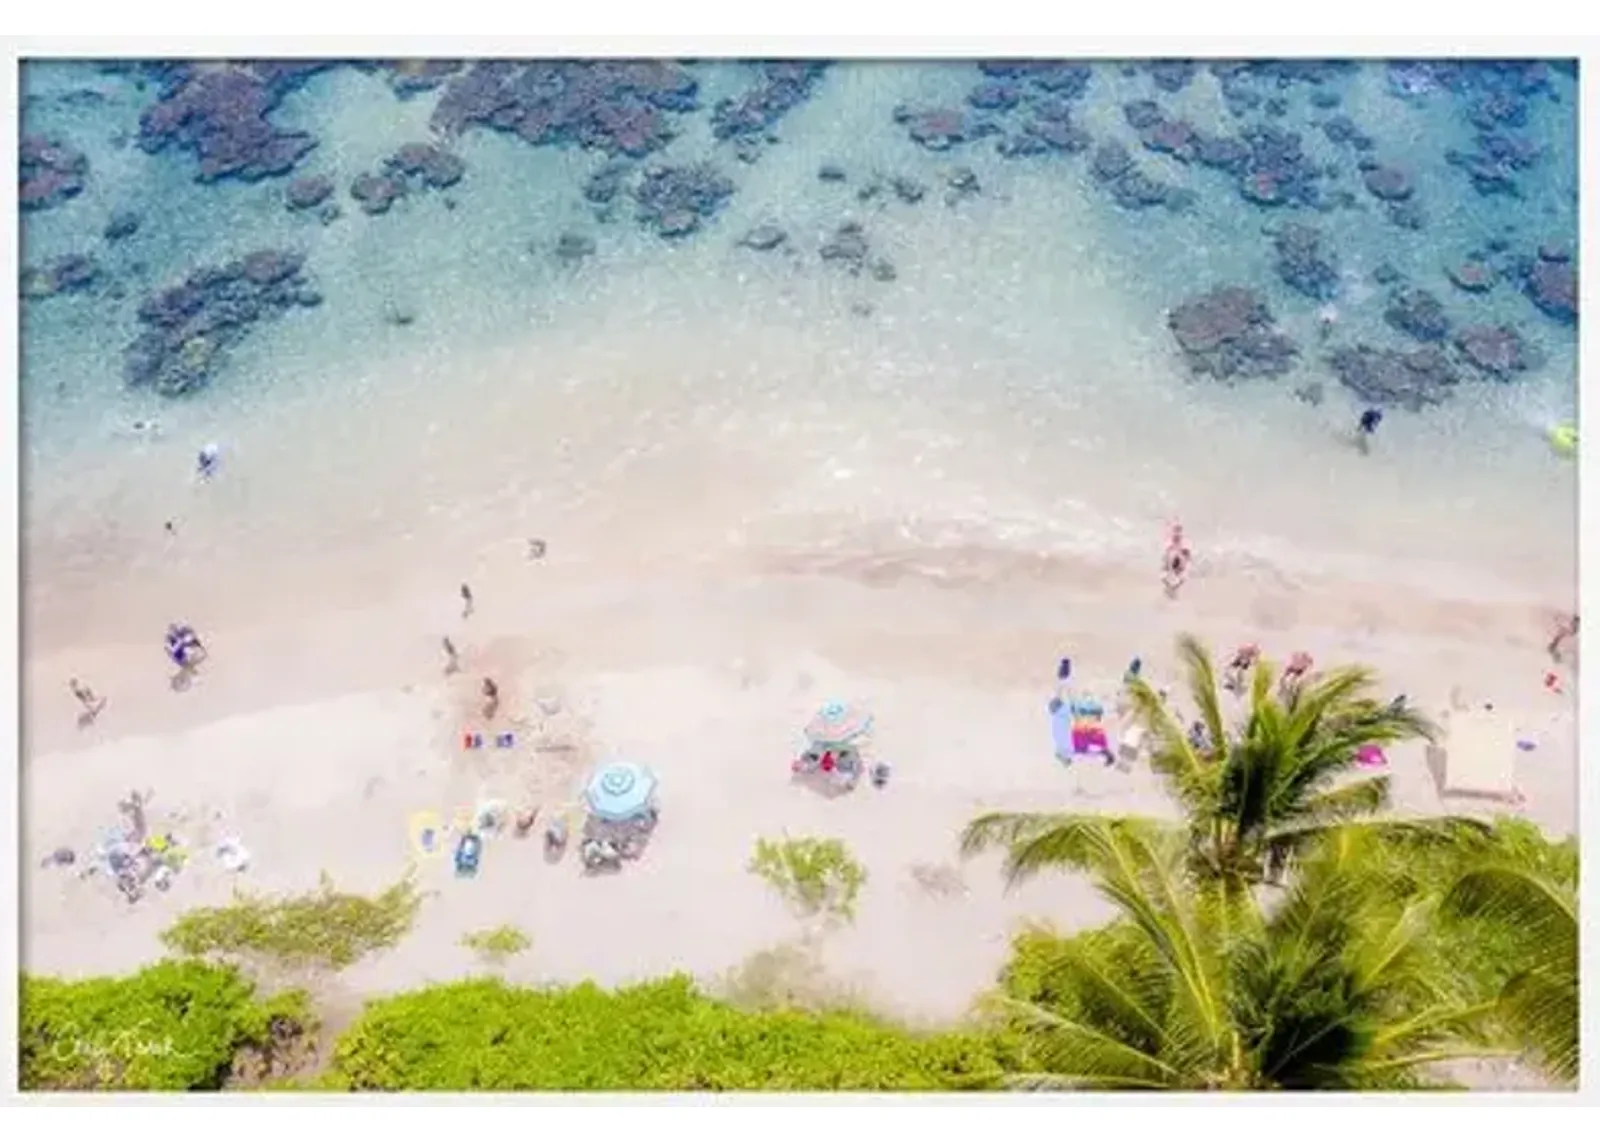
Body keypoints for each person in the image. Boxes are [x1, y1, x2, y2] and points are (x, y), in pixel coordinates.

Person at [1162, 523, 1192, 599]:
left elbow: (1187, 555)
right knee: (1172, 555)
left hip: (1179, 564)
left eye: (1178, 531)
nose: (1177, 534)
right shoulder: (1170, 542)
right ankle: (1171, 588)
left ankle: (1173, 588)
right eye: (1175, 531)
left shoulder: (1184, 542)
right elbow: (1167, 553)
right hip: (1172, 563)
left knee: (1183, 575)